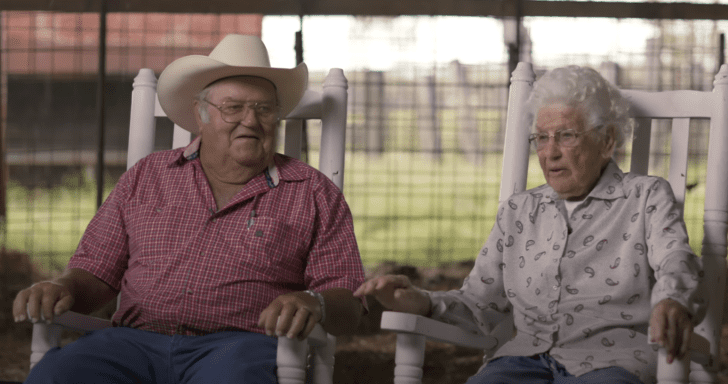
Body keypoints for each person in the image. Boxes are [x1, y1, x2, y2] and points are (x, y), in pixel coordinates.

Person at [13, 34, 366, 384]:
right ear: (201, 115)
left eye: (264, 109)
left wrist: (313, 302)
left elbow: (348, 303)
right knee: (57, 375)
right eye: (233, 107)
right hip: (132, 344)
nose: (251, 120)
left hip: (238, 348)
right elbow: (96, 272)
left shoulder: (312, 191)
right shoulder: (148, 176)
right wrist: (62, 287)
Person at [355, 65, 704, 384]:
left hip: (613, 363)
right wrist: (423, 302)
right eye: (542, 137)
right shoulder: (519, 212)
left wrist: (672, 299)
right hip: (522, 361)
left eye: (566, 135)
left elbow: (675, 257)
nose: (549, 153)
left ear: (607, 141)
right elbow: (479, 304)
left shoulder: (645, 197)